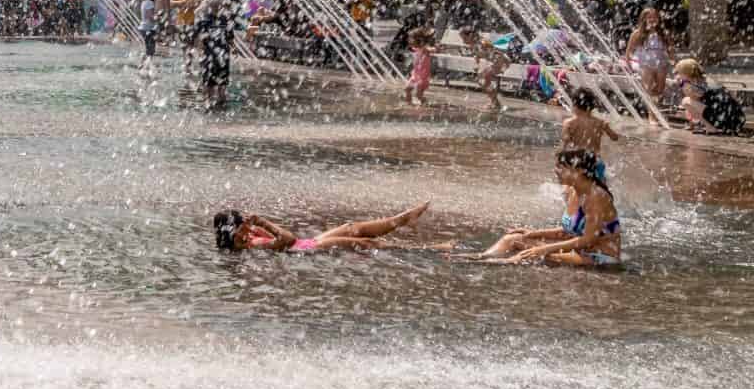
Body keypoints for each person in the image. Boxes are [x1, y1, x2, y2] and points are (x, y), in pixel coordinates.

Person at [478, 151, 622, 268]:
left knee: (529, 257)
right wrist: (533, 233)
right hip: (579, 250)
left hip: (598, 258)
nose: (556, 171)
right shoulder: (573, 191)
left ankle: (484, 266)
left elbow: (588, 239)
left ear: (578, 170)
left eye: (561, 167)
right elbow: (569, 231)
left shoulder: (595, 197)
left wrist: (544, 249)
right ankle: (478, 258)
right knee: (511, 239)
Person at [211, 202, 430, 254]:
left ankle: (402, 219)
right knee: (365, 243)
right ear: (231, 232)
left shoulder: (250, 236)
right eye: (241, 227)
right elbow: (287, 239)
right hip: (306, 248)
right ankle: (427, 250)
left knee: (351, 227)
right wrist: (262, 223)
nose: (245, 228)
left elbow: (284, 238)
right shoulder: (254, 245)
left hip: (308, 243)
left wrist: (255, 227)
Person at [675, 58, 746, 134]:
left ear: (686, 73)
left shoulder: (696, 84)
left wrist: (681, 85)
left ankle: (710, 128)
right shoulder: (704, 79)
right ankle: (699, 125)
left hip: (726, 120)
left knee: (686, 102)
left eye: (679, 73)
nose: (678, 75)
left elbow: (693, 99)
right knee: (691, 102)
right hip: (737, 119)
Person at [626, 5, 675, 105]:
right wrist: (629, 66)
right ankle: (651, 114)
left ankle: (653, 104)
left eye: (655, 17)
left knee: (660, 89)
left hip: (661, 63)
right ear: (644, 19)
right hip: (644, 63)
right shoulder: (637, 33)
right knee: (648, 86)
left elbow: (670, 50)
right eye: (649, 17)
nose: (652, 19)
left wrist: (675, 64)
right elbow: (629, 51)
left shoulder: (663, 33)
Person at [463, 27, 509, 116]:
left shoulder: (482, 42)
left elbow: (497, 52)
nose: (463, 40)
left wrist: (499, 66)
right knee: (482, 82)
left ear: (470, 35)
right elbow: (478, 55)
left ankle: (496, 103)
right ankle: (494, 102)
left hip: (501, 61)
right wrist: (477, 64)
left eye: (464, 38)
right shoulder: (474, 44)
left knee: (483, 80)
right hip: (494, 62)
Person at [403, 27, 435, 111]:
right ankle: (408, 103)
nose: (409, 40)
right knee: (407, 89)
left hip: (423, 77)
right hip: (415, 75)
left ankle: (426, 103)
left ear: (418, 39)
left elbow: (432, 49)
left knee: (418, 95)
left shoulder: (425, 49)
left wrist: (434, 49)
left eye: (411, 38)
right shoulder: (416, 49)